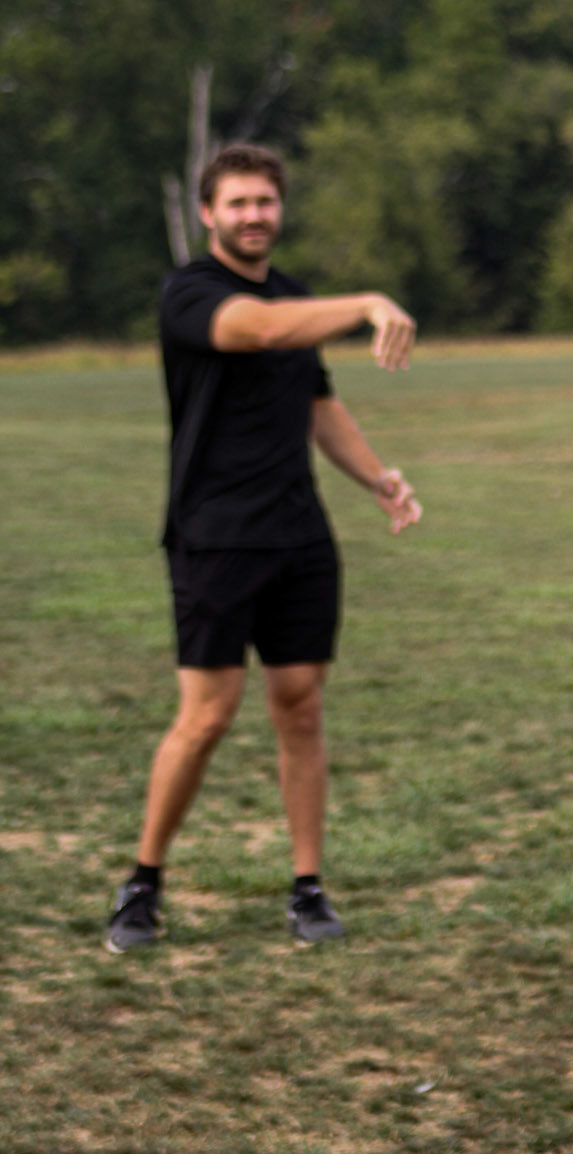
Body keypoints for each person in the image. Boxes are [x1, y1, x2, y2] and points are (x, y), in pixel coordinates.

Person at [105, 142, 423, 954]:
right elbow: (260, 331)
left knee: (301, 706)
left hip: (298, 534)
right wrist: (368, 303)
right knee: (206, 716)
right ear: (208, 213)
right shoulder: (191, 292)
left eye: (265, 202)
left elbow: (316, 402)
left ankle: (307, 887)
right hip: (214, 537)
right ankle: (143, 881)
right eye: (238, 203)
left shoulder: (296, 295)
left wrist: (377, 478)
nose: (254, 216)